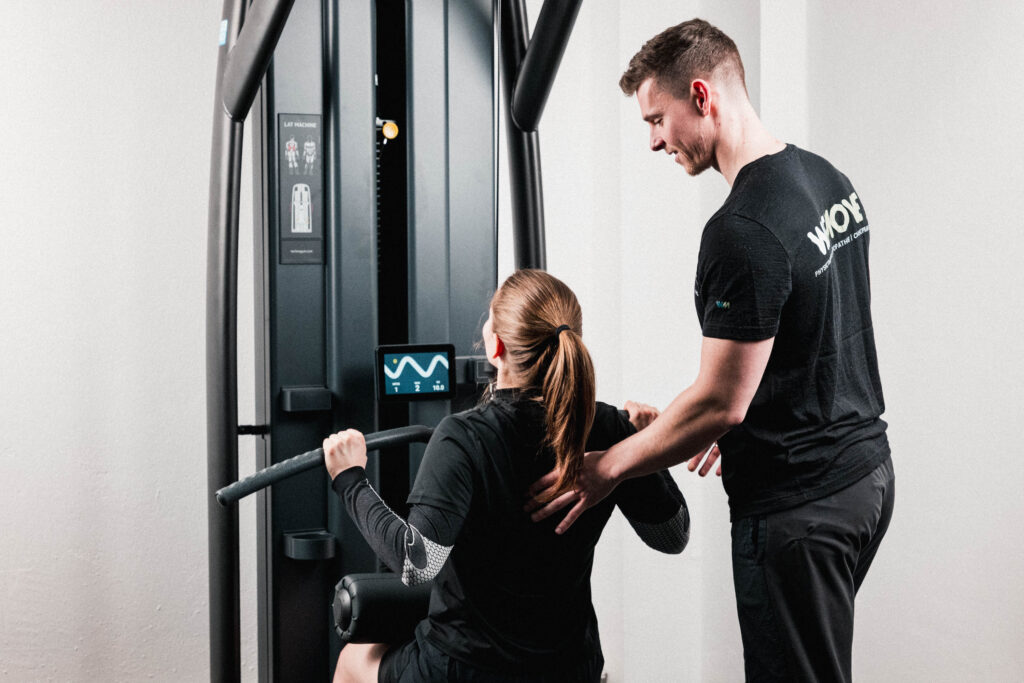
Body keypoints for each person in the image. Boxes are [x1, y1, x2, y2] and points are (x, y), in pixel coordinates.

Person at [528, 19, 895, 683]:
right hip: (865, 480)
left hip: (799, 510)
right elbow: (809, 337)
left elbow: (723, 402)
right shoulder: (825, 179)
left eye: (656, 119)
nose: (653, 141)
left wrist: (609, 467)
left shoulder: (740, 230)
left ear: (700, 96)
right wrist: (724, 419)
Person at [324, 269, 691, 683]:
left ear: (495, 345)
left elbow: (415, 564)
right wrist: (643, 446)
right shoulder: (609, 429)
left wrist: (350, 480)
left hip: (467, 669)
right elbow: (672, 536)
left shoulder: (463, 436)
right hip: (570, 667)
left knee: (354, 660)